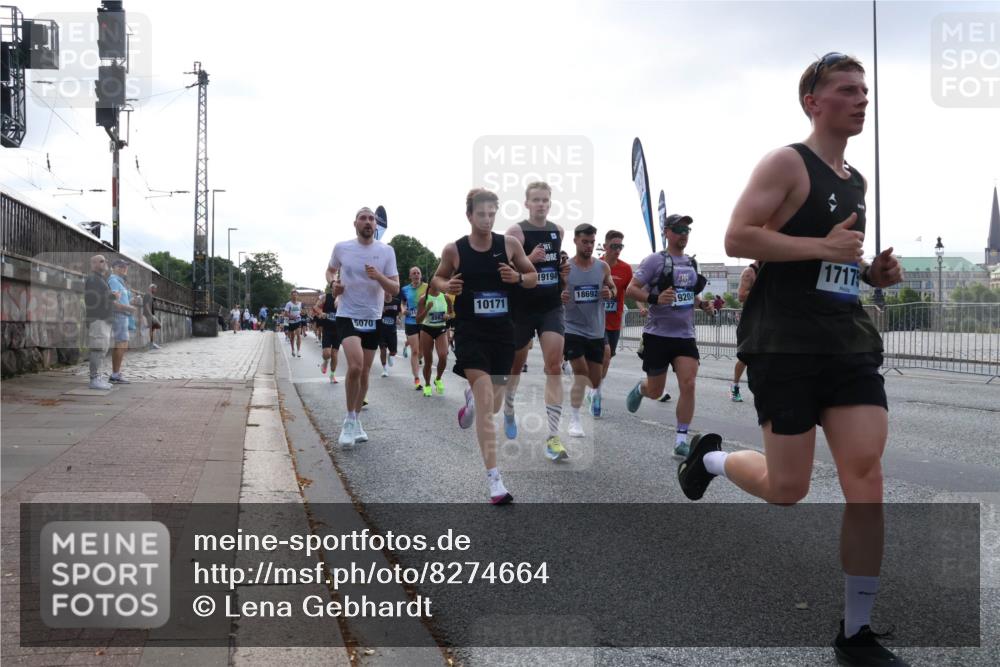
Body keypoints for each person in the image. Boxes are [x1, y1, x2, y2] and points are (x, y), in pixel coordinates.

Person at [682, 53, 905, 667]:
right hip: (784, 344)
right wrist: (822, 246)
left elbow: (835, 260)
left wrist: (872, 273)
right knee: (788, 489)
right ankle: (711, 458)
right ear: (813, 101)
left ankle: (856, 633)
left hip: (846, 342)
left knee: (867, 480)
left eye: (864, 90)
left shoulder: (855, 180)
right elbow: (738, 237)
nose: (861, 99)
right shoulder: (786, 162)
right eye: (847, 90)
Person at [432, 188, 537, 504]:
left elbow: (532, 276)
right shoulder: (455, 250)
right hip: (470, 333)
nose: (487, 219)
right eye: (481, 214)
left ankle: (471, 404)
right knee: (485, 399)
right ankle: (495, 481)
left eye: (492, 214)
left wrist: (517, 278)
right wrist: (447, 285)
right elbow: (437, 280)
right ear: (469, 215)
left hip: (503, 334)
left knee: (492, 405)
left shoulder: (510, 245)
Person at [624, 214, 716, 457]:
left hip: (685, 336)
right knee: (656, 391)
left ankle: (680, 440)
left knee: (689, 384)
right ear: (667, 232)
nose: (684, 234)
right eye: (678, 229)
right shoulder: (655, 260)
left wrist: (703, 305)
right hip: (657, 335)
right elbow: (631, 289)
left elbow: (689, 295)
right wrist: (655, 298)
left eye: (687, 230)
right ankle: (641, 389)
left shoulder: (691, 263)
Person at [502, 181, 571, 461]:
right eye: (536, 200)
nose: (541, 204)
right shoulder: (515, 232)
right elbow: (504, 269)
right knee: (515, 366)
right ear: (527, 203)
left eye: (545, 200)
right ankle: (508, 407)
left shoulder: (558, 231)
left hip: (551, 306)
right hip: (522, 308)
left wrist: (563, 272)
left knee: (553, 367)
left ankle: (553, 437)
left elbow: (555, 267)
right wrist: (528, 258)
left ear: (550, 203)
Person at [326, 207, 399, 447]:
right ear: (355, 223)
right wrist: (333, 284)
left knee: (365, 371)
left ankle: (356, 419)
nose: (368, 222)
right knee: (356, 366)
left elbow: (394, 288)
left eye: (371, 219)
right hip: (347, 314)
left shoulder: (386, 251)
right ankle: (348, 420)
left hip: (373, 317)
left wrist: (379, 277)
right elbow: (330, 271)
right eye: (363, 218)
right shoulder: (342, 248)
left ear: (376, 226)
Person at [561, 224, 616, 436]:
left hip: (596, 330)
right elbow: (555, 292)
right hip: (572, 328)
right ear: (575, 241)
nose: (589, 246)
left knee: (594, 380)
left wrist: (610, 292)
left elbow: (612, 287)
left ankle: (575, 373)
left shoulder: (602, 267)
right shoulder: (566, 268)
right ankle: (575, 420)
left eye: (592, 242)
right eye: (585, 242)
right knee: (581, 374)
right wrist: (560, 295)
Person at [596, 229, 632, 416]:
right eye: (614, 246)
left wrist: (643, 306)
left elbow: (632, 290)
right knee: (606, 353)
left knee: (607, 359)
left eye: (620, 246)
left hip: (614, 321)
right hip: (596, 320)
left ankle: (596, 386)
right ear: (605, 246)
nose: (617, 250)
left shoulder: (626, 269)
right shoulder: (595, 265)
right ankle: (596, 392)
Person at [415, 280, 453, 396]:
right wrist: (427, 309)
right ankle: (427, 385)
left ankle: (438, 379)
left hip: (441, 328)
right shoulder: (423, 299)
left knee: (443, 356)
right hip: (427, 329)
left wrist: (447, 316)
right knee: (428, 361)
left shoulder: (445, 297)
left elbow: (451, 313)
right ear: (431, 284)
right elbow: (418, 320)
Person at [84, 255, 115, 390]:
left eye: (105, 261)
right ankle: (94, 379)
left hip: (103, 319)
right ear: (94, 264)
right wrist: (112, 296)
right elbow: (92, 299)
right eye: (102, 261)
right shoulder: (93, 279)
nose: (105, 263)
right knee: (98, 349)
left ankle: (98, 377)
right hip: (98, 319)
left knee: (102, 349)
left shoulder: (100, 279)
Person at [731, 261, 760, 402]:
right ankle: (735, 386)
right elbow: (741, 296)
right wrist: (764, 290)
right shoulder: (750, 271)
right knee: (745, 357)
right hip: (751, 322)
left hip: (767, 321)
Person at [106, 259, 139, 384]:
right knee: (121, 343)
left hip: (123, 315)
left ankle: (116, 373)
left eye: (125, 266)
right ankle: (115, 375)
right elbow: (113, 301)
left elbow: (121, 299)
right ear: (113, 267)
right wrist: (128, 308)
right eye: (120, 266)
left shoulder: (120, 281)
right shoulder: (114, 280)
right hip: (119, 315)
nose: (124, 268)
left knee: (122, 344)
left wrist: (131, 302)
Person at [400, 267, 427, 390]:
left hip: (424, 321)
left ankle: (418, 359)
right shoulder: (405, 289)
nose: (416, 275)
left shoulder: (427, 287)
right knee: (415, 351)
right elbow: (403, 303)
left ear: (421, 275)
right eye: (413, 273)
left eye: (418, 273)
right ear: (410, 276)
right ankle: (417, 379)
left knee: (422, 351)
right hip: (411, 321)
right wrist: (403, 309)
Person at [313, 283, 341, 383]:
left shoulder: (343, 298)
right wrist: (321, 313)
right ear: (331, 288)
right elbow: (316, 307)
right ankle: (325, 361)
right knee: (327, 354)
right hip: (327, 329)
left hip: (338, 330)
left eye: (338, 287)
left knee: (334, 354)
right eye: (335, 287)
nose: (337, 289)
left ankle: (332, 375)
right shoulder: (326, 297)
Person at [379, 290, 402, 377]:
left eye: (388, 291)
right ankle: (384, 369)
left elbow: (399, 312)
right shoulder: (379, 301)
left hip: (392, 331)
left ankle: (391, 355)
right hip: (381, 331)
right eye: (385, 291)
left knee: (393, 352)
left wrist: (398, 318)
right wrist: (380, 311)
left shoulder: (396, 301)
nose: (387, 293)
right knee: (383, 349)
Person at [284, 290, 304, 357]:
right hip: (291, 322)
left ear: (297, 296)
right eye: (293, 295)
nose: (295, 296)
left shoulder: (300, 303)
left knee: (298, 335)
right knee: (292, 337)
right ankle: (293, 350)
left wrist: (301, 313)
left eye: (296, 295)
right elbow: (286, 313)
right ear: (291, 296)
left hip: (298, 321)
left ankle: (298, 351)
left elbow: (300, 311)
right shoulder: (288, 304)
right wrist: (292, 316)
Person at [146, 283, 161, 350]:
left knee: (153, 328)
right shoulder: (148, 295)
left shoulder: (151, 295)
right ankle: (151, 344)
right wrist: (150, 314)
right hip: (149, 315)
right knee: (152, 328)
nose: (156, 290)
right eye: (155, 289)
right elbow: (146, 305)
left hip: (151, 314)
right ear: (151, 289)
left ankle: (152, 343)